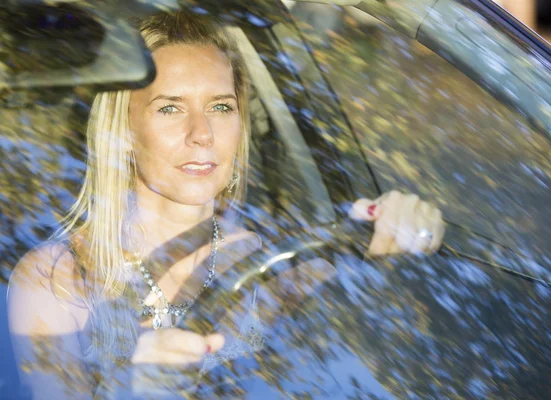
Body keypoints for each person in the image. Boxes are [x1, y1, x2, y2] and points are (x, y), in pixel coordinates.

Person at [7, 11, 445, 399]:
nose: (202, 133)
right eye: (169, 109)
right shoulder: (55, 281)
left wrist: (404, 227)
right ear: (122, 132)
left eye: (220, 106)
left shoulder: (280, 262)